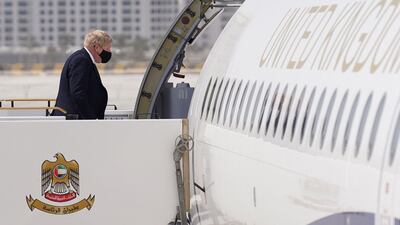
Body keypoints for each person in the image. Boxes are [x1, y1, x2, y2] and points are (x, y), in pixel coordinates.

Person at [52, 30, 112, 119]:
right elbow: (78, 93)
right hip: (76, 119)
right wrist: (91, 118)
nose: (109, 52)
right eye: (107, 49)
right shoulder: (81, 60)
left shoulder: (84, 59)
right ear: (96, 47)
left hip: (78, 118)